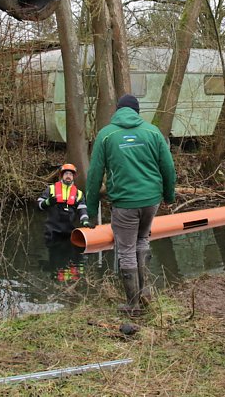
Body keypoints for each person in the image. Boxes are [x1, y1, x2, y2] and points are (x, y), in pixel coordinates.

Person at [86, 94, 176, 315]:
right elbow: (168, 168)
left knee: (126, 250)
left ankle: (133, 305)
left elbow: (94, 175)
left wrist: (91, 210)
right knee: (142, 240)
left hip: (125, 202)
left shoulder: (106, 134)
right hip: (151, 201)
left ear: (118, 110)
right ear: (137, 112)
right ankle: (144, 294)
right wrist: (169, 196)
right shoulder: (153, 132)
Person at [38, 163, 89, 240]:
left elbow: (82, 209)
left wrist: (85, 220)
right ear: (62, 176)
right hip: (52, 233)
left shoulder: (79, 193)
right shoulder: (51, 189)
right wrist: (48, 202)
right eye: (66, 174)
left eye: (70, 174)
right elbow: (39, 206)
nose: (68, 176)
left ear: (73, 177)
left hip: (70, 233)